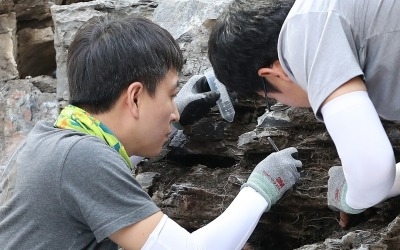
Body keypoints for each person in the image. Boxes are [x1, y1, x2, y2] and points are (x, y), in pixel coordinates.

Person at [0, 15, 302, 249]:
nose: (173, 110)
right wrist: (262, 187)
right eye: (170, 95)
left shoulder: (48, 143)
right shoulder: (81, 159)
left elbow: (101, 168)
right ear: (134, 98)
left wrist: (174, 120)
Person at [207, 0, 400, 228]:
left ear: (273, 73)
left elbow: (372, 172)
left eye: (269, 97)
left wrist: (352, 196)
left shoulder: (306, 32)